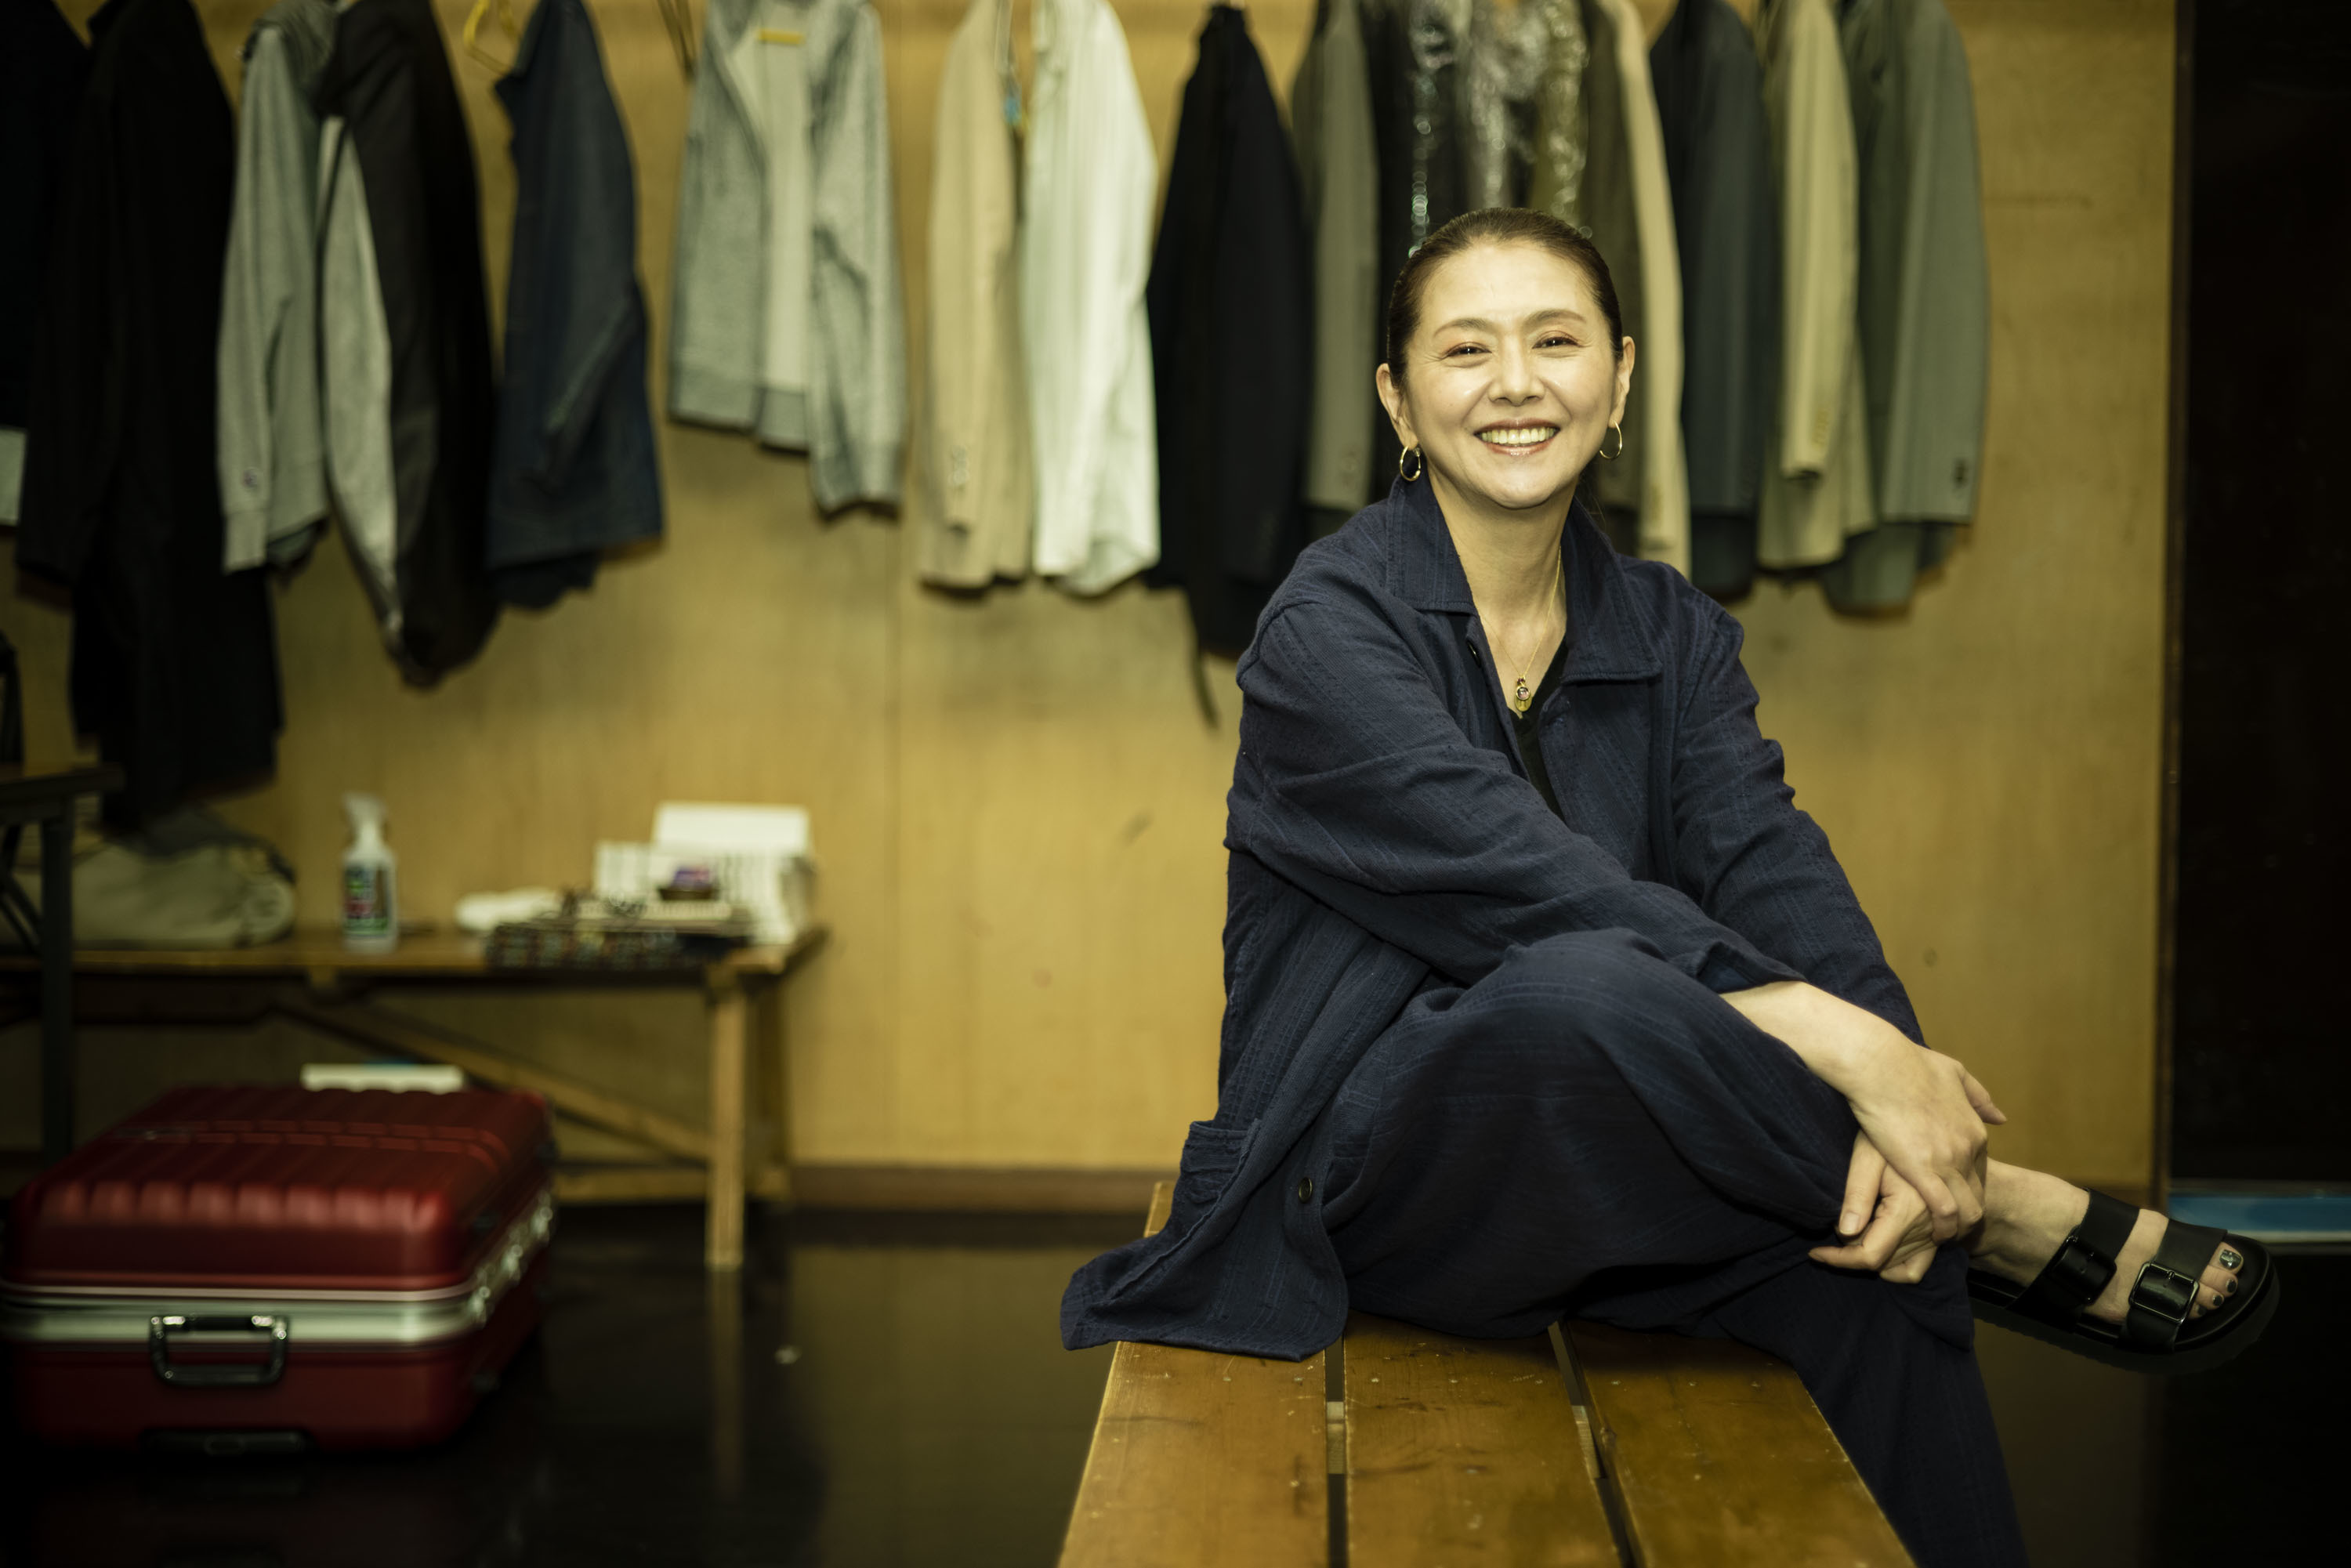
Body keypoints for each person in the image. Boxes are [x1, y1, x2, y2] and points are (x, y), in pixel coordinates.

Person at [1064, 207, 2282, 1566]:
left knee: (1871, 1263)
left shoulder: (1670, 630)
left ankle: (1944, 1241)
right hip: (1366, 1182)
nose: (1516, 382)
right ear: (1398, 400)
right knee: (1581, 986)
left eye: (1556, 341)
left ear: (1623, 378)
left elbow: (1778, 871)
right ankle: (1999, 1219)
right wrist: (1842, 1053)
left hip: (1623, 1162)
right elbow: (1525, 880)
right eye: (1466, 350)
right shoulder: (1323, 630)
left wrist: (1908, 1091)